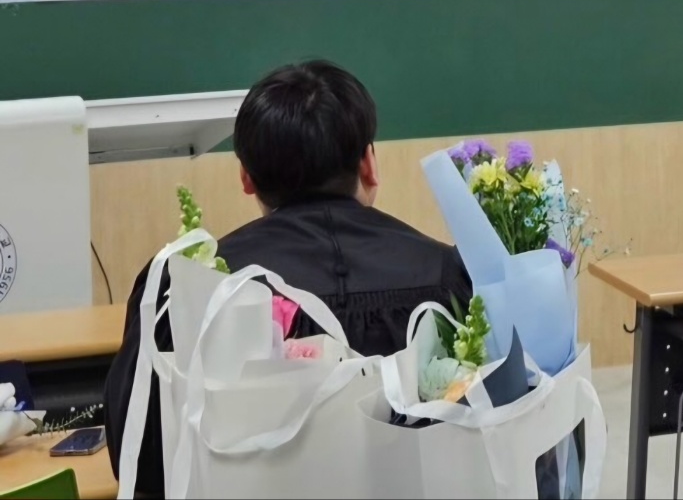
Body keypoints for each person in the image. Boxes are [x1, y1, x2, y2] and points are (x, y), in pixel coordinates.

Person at [104, 61, 471, 498]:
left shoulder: (188, 286)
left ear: (246, 177)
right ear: (368, 164)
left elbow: (139, 460)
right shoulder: (451, 275)